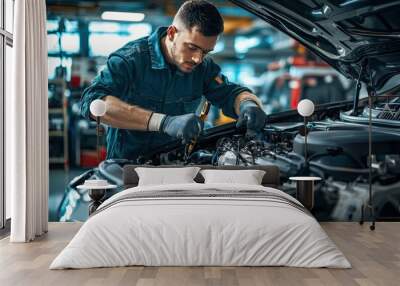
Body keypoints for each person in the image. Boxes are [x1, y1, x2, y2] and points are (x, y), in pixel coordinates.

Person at [80, 0, 268, 161]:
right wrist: (163, 122)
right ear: (171, 33)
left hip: (177, 167)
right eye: (192, 47)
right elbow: (93, 102)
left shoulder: (203, 68)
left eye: (205, 52)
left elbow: (231, 93)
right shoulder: (130, 60)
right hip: (127, 170)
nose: (198, 59)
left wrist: (248, 104)